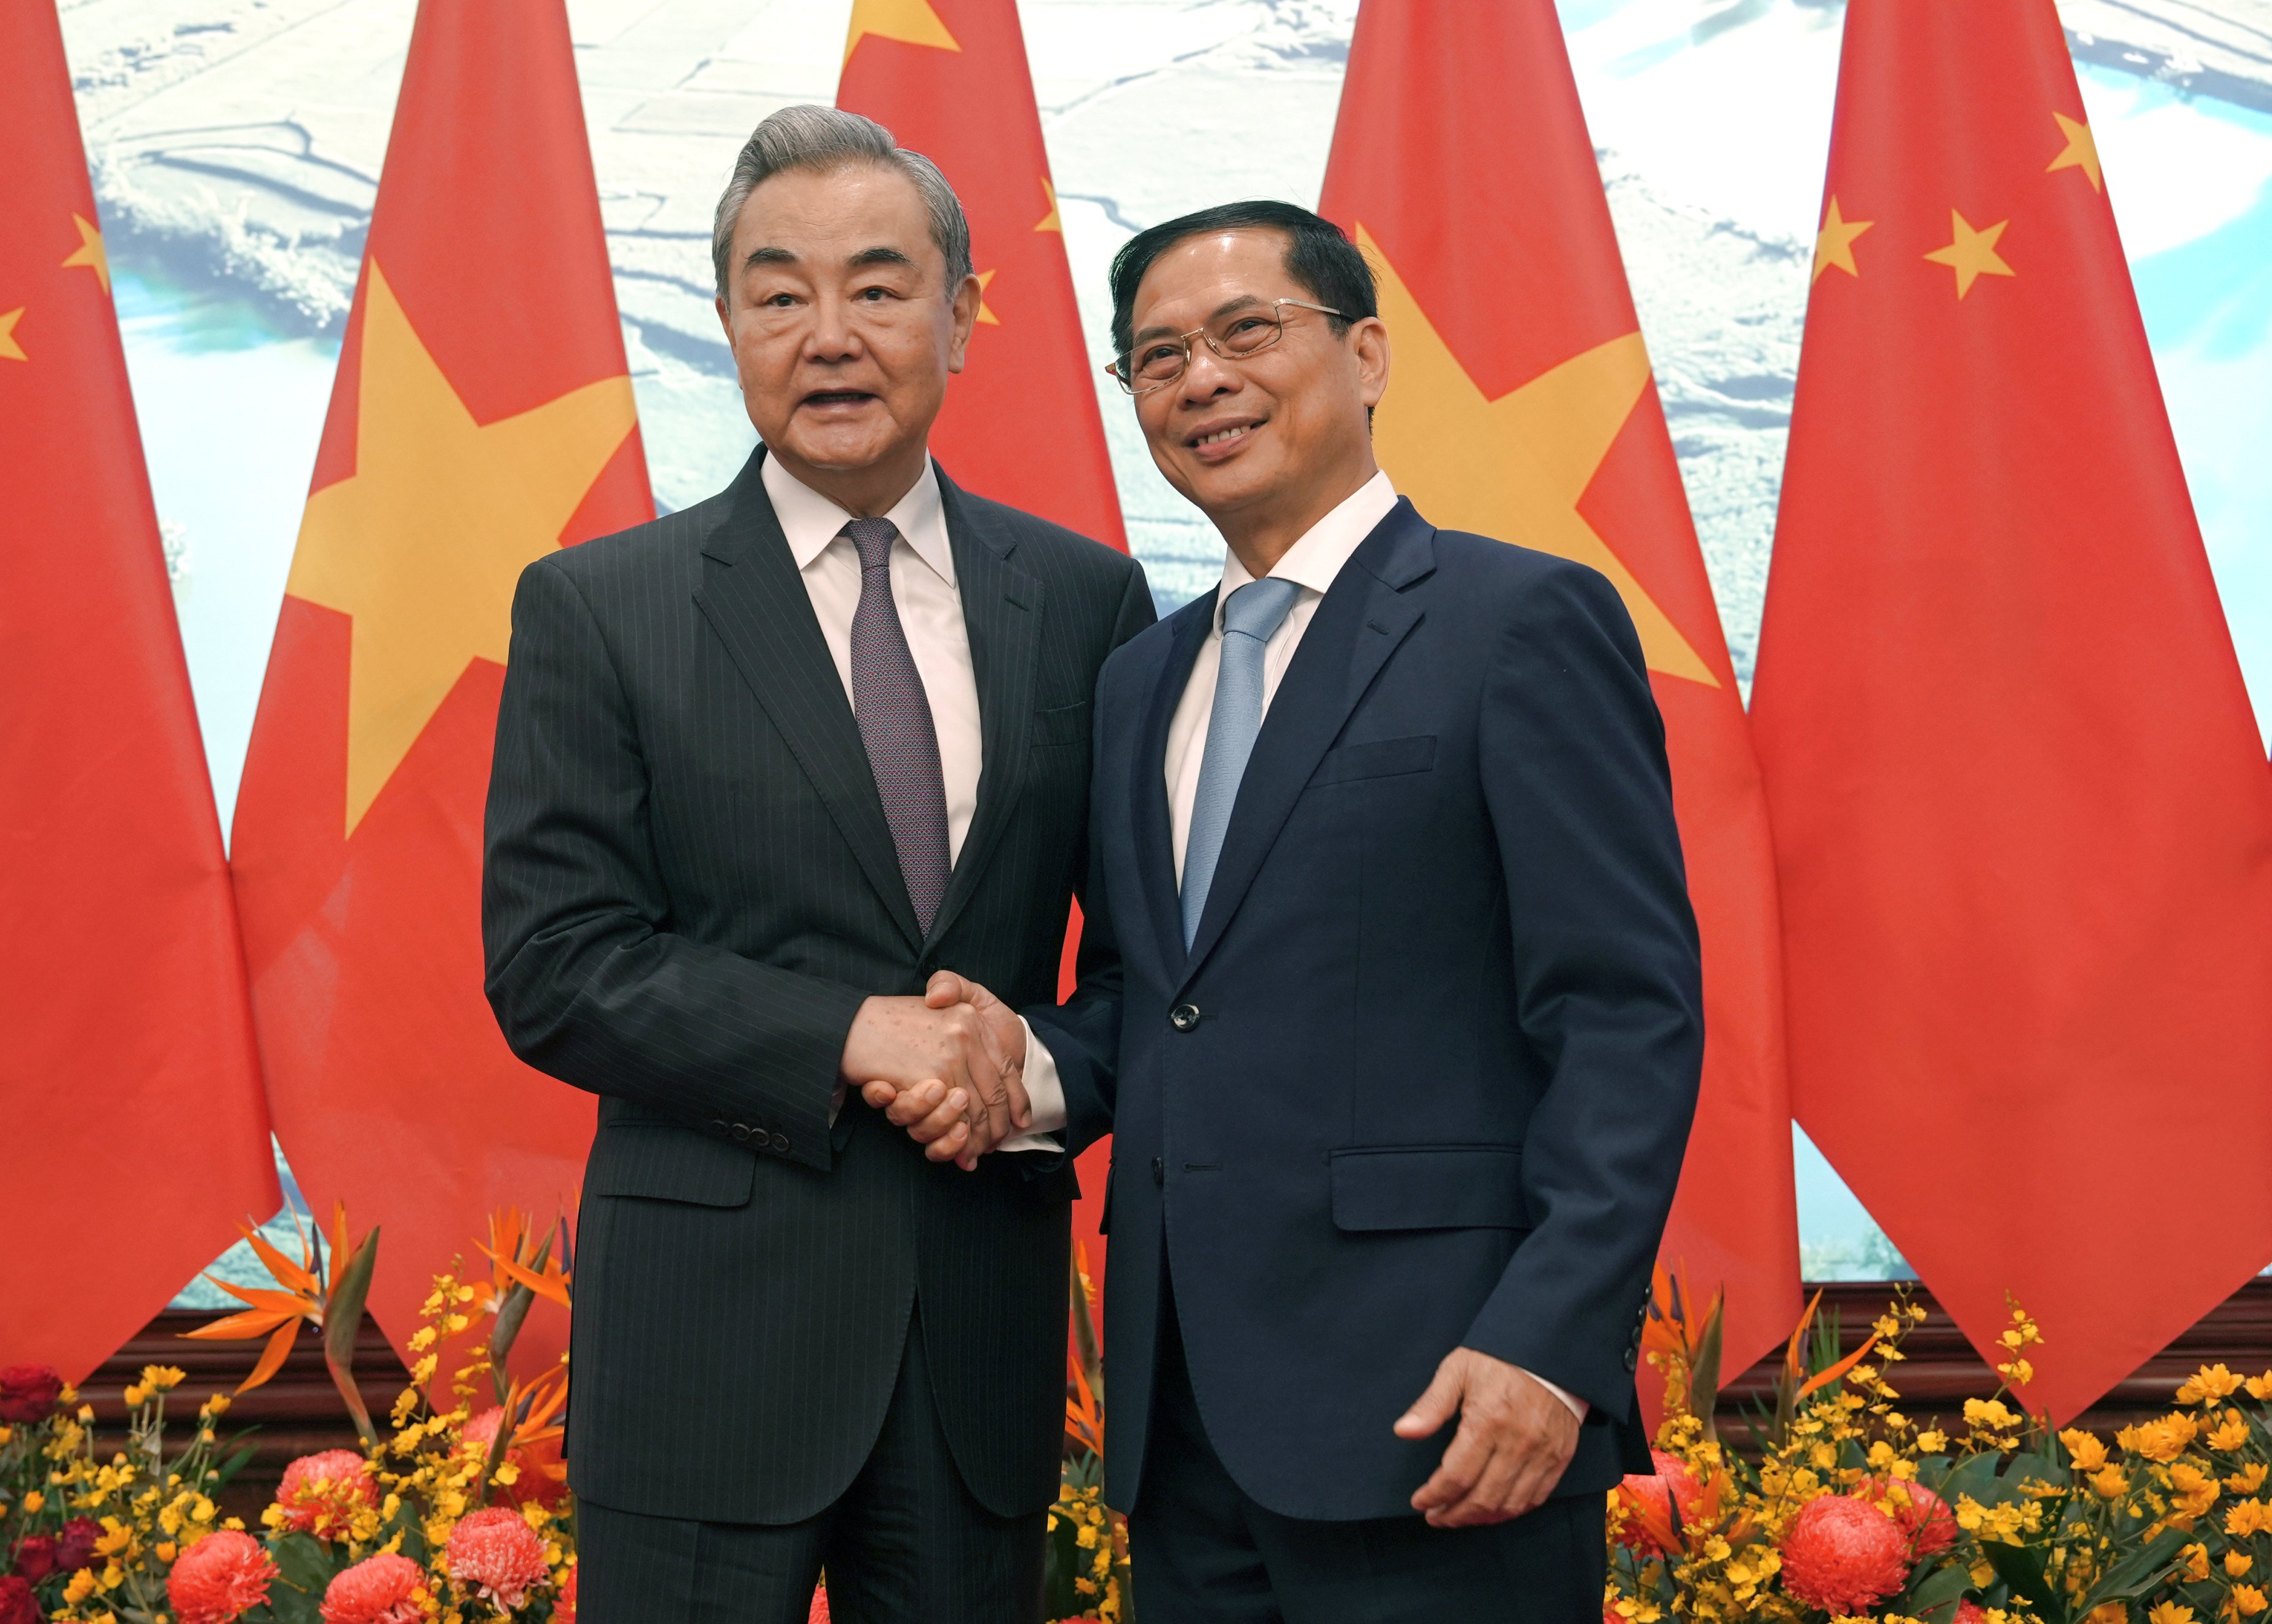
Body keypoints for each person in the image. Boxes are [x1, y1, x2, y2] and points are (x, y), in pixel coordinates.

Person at [891, 201, 1702, 1620]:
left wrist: (1548, 1342)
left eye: (1244, 332)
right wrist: (1009, 1063)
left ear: (1368, 353)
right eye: (1152, 357)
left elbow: (1622, 1016)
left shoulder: (1517, 623)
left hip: (1448, 1410)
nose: (1199, 378)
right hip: (1187, 1430)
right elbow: (1157, 1002)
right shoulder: (1141, 677)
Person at [480, 105, 1153, 1623]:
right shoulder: (605, 608)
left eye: (877, 285)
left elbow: (1143, 976)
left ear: (962, 315)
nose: (827, 334)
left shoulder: (1082, 598)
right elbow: (553, 964)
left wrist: (1021, 1071)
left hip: (976, 1338)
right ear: (725, 324)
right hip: (706, 1350)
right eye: (778, 293)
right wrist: (856, 1034)